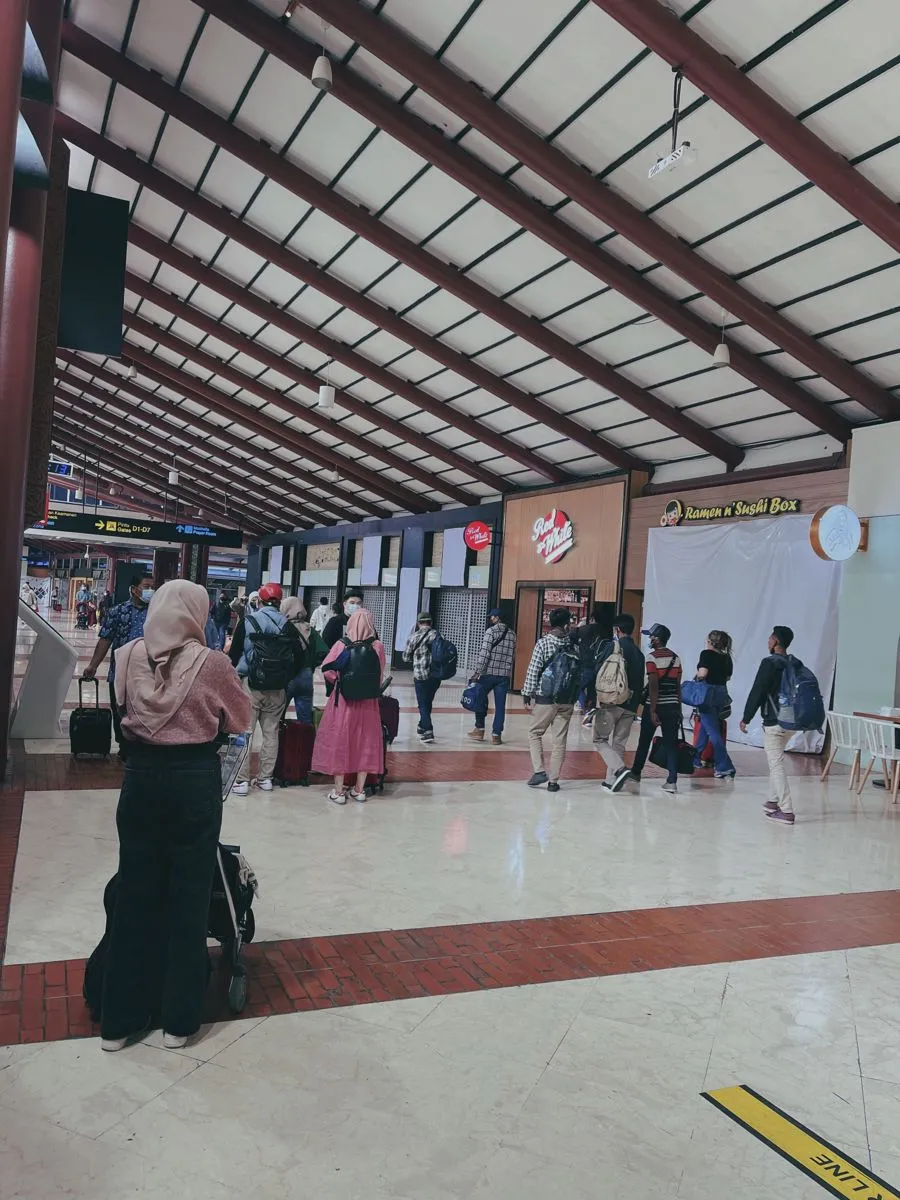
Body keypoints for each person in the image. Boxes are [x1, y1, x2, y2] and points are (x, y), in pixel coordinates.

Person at [98, 579, 251, 1052]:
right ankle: (178, 1022)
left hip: (140, 779)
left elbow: (118, 711)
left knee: (134, 893)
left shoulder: (125, 656)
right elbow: (242, 718)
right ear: (195, 613)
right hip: (193, 781)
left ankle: (119, 1022)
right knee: (188, 897)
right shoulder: (213, 663)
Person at [233, 582, 302, 795]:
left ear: (259, 601)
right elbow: (299, 657)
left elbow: (234, 653)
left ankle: (242, 781)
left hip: (251, 686)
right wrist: (285, 677)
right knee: (271, 733)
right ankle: (265, 779)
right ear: (279, 602)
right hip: (278, 688)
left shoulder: (248, 621)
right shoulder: (288, 625)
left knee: (245, 732)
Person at [312, 608, 386, 804]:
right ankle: (359, 790)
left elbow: (327, 670)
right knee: (366, 742)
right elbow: (380, 673)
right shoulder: (378, 646)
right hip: (369, 703)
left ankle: (338, 791)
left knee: (340, 740)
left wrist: (338, 680)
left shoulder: (342, 645)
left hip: (343, 702)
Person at [82, 574, 155, 761]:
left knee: (145, 710)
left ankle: (142, 745)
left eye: (152, 587)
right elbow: (105, 640)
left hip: (149, 673)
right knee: (120, 709)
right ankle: (125, 746)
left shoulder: (157, 613)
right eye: (146, 586)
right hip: (121, 672)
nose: (150, 591)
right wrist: (93, 666)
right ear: (134, 589)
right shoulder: (117, 611)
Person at [741, 625, 795, 825]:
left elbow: (758, 691)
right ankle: (772, 801)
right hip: (792, 721)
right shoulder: (793, 663)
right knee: (777, 760)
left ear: (774, 641)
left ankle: (787, 810)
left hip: (774, 722)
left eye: (769, 638)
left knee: (776, 764)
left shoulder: (769, 663)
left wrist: (746, 717)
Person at [522, 607, 576, 792]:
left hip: (546, 697)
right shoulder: (572, 644)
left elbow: (534, 669)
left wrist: (527, 693)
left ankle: (539, 771)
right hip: (567, 698)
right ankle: (553, 781)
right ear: (567, 624)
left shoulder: (543, 643)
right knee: (559, 740)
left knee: (535, 733)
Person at [592, 612, 646, 793]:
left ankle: (621, 769)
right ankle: (611, 780)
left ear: (617, 630)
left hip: (612, 701)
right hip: (631, 705)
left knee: (599, 739)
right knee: (619, 743)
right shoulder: (639, 654)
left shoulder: (613, 647)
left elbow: (599, 670)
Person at [629, 623, 683, 795]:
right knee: (671, 743)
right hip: (673, 706)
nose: (649, 639)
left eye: (651, 636)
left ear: (657, 639)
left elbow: (653, 685)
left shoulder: (652, 658)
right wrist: (679, 708)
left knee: (644, 741)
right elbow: (677, 686)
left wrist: (652, 710)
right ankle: (672, 780)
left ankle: (636, 772)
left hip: (655, 706)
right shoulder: (676, 658)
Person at [468, 608, 516, 745]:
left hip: (488, 673)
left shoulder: (491, 632)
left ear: (496, 618)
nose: (490, 619)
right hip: (503, 676)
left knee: (480, 700)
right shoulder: (512, 634)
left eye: (492, 617)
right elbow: (512, 656)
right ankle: (496, 735)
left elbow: (485, 654)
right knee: (500, 706)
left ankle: (480, 729)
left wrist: (477, 671)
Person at [693, 630, 736, 780]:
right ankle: (695, 757)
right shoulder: (726, 657)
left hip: (707, 694)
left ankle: (725, 767)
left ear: (710, 641)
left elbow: (703, 674)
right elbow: (728, 677)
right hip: (721, 694)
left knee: (713, 732)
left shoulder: (706, 654)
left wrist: (697, 677)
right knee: (707, 726)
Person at [403, 613, 439, 744]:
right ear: (430, 622)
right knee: (427, 702)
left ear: (418, 623)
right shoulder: (437, 635)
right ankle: (422, 725)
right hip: (435, 676)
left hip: (420, 675)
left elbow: (405, 657)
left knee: (423, 704)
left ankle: (428, 730)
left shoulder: (414, 637)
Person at [282, 596, 313, 723]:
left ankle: (281, 740)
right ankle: (304, 741)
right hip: (306, 675)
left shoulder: (283, 628)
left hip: (287, 674)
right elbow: (323, 652)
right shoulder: (310, 629)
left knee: (279, 715)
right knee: (305, 717)